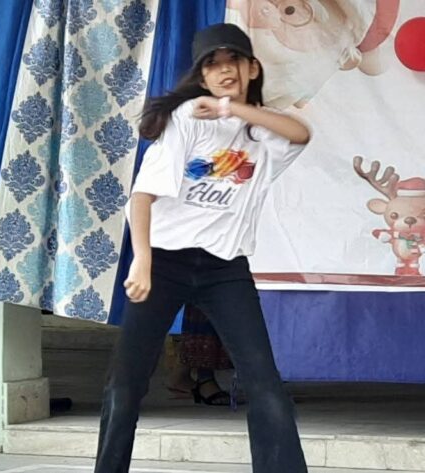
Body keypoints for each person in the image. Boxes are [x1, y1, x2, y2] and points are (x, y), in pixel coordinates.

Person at [95, 23, 310, 473]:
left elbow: (300, 133)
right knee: (126, 382)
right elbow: (142, 195)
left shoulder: (262, 130)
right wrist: (143, 260)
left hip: (225, 269)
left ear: (252, 68)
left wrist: (233, 109)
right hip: (165, 262)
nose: (223, 70)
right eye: (212, 64)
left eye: (233, 60)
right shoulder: (188, 117)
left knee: (264, 382)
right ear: (201, 76)